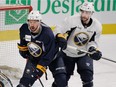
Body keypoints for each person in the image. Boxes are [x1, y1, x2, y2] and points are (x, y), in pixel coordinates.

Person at [54, 1, 102, 87]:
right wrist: (60, 37)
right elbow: (58, 29)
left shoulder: (97, 26)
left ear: (91, 13)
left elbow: (94, 42)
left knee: (87, 77)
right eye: (82, 11)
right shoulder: (71, 20)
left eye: (87, 12)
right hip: (67, 53)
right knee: (61, 80)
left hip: (83, 54)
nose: (83, 15)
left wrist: (93, 49)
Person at [17, 10, 56, 87]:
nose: (32, 25)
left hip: (52, 58)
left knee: (61, 80)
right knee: (24, 84)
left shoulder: (47, 33)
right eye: (30, 22)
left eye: (35, 22)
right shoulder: (24, 28)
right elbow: (23, 42)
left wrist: (40, 69)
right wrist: (24, 52)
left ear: (40, 22)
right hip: (34, 58)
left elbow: (49, 54)